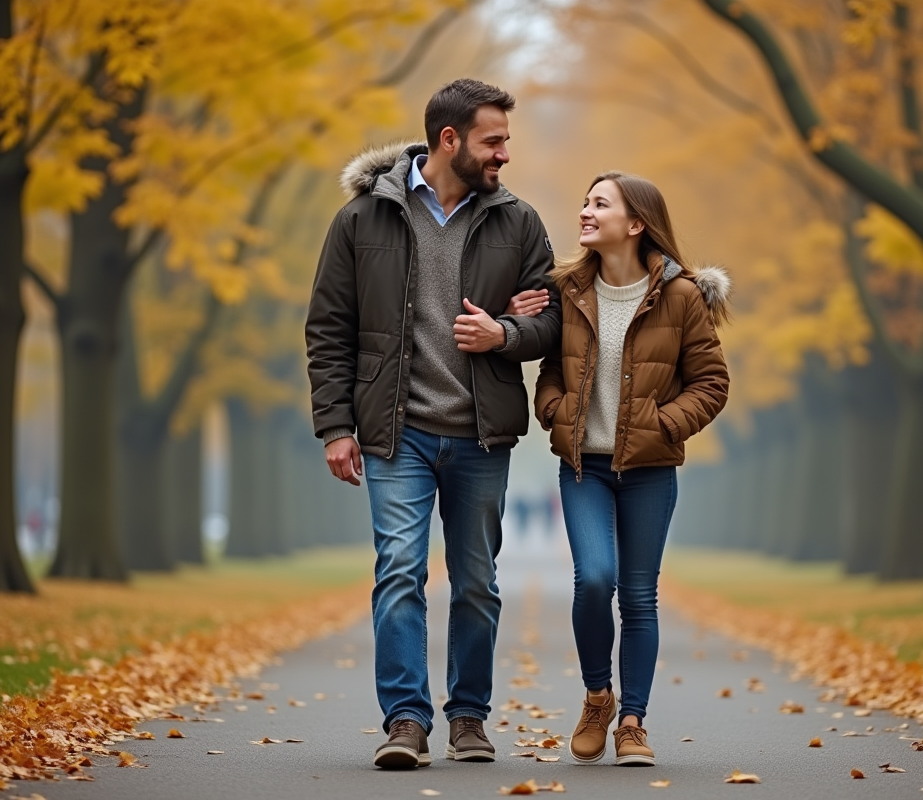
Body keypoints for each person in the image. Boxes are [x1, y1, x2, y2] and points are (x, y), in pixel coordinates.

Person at [305, 78, 561, 770]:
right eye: (494, 140)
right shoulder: (363, 221)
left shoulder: (520, 222)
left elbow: (552, 322)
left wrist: (504, 334)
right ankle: (407, 721)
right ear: (450, 140)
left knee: (476, 581)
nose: (505, 154)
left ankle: (469, 718)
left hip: (480, 435)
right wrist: (335, 425)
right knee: (399, 570)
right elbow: (329, 328)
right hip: (397, 432)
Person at [532, 171, 729, 767]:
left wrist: (665, 425)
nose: (585, 211)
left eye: (600, 203)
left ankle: (633, 724)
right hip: (583, 468)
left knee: (639, 596)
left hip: (649, 472)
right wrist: (556, 411)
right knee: (594, 578)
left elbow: (712, 383)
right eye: (585, 202)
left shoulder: (682, 296)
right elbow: (548, 374)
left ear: (636, 223)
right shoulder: (567, 289)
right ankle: (598, 696)